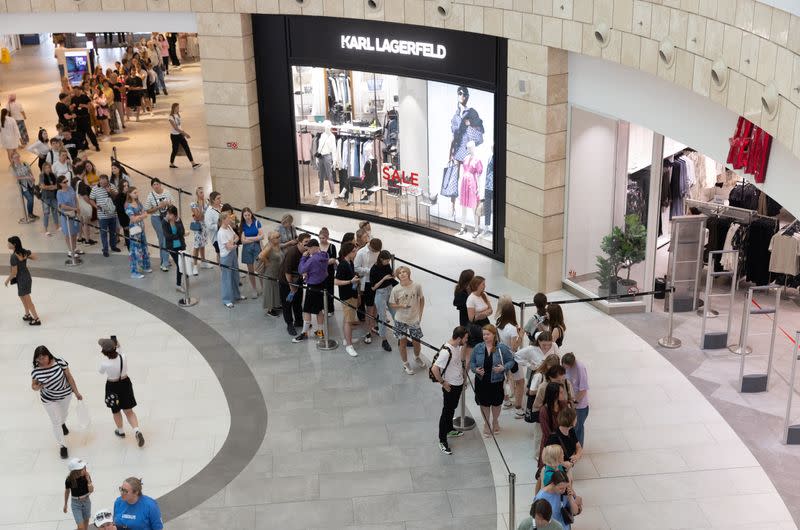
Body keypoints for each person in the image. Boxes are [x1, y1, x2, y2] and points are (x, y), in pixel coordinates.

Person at [31, 346, 83, 458]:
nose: (41, 360)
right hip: (48, 399)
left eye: (43, 357)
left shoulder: (60, 362)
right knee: (55, 421)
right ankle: (62, 446)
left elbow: (69, 377)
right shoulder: (36, 371)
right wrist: (38, 387)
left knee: (63, 414)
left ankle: (63, 422)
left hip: (65, 395)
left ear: (48, 355)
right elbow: (33, 386)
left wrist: (76, 392)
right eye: (38, 359)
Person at [469, 324, 515, 436]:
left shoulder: (501, 348)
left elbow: (511, 361)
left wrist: (503, 368)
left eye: (488, 334)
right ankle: (486, 423)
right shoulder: (478, 348)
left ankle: (495, 421)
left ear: (494, 335)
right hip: (482, 381)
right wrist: (475, 370)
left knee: (496, 403)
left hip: (497, 381)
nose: (485, 336)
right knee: (484, 403)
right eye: (484, 334)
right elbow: (472, 363)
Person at [98, 337, 145, 445]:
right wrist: (117, 344)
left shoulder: (105, 364)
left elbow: (100, 372)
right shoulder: (123, 357)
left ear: (104, 351)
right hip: (125, 384)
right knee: (129, 411)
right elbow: (120, 349)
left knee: (116, 410)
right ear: (115, 348)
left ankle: (121, 431)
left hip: (112, 386)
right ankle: (137, 430)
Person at [431, 326, 469, 455]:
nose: (466, 340)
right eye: (465, 338)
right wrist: (443, 382)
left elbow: (458, 363)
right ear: (459, 338)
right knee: (446, 412)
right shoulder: (446, 352)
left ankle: (449, 429)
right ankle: (442, 440)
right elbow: (434, 369)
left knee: (452, 409)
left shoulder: (456, 346)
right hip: (450, 386)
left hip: (457, 384)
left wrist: (462, 377)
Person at [389, 266, 426, 375]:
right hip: (400, 320)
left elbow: (422, 299)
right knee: (402, 343)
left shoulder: (417, 286)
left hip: (414, 319)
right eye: (400, 273)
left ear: (408, 273)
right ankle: (405, 363)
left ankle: (417, 356)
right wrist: (401, 305)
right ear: (398, 276)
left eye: (404, 272)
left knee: (417, 342)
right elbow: (392, 304)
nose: (402, 274)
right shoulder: (396, 289)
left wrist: (420, 314)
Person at [294, 239, 329, 342]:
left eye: (309, 248)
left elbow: (301, 270)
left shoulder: (312, 259)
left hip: (312, 286)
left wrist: (303, 257)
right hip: (322, 284)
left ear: (315, 247)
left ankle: (304, 333)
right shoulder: (324, 255)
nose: (308, 250)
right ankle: (320, 331)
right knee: (319, 310)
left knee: (307, 310)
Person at [495, 295, 525, 417]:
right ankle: (518, 408)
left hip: (501, 354)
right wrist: (521, 335)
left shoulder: (498, 322)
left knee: (504, 379)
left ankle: (506, 401)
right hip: (512, 358)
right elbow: (514, 347)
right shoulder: (512, 329)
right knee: (520, 382)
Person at [5, 236, 41, 325]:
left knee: (27, 299)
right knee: (22, 297)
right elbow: (35, 257)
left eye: (9, 243)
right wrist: (26, 257)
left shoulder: (13, 257)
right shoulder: (23, 252)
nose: (7, 245)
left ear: (14, 244)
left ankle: (36, 319)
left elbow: (14, 272)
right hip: (26, 277)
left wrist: (7, 280)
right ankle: (27, 314)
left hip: (22, 279)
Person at [279, 232, 309, 334]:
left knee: (298, 301)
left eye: (309, 242)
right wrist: (291, 286)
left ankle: (299, 320)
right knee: (287, 304)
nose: (307, 244)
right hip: (286, 281)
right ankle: (289, 324)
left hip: (298, 279)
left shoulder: (306, 252)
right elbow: (287, 272)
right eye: (306, 242)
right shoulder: (292, 253)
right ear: (299, 243)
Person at [334, 241, 361, 357]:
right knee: (349, 322)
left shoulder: (350, 262)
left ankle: (347, 339)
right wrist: (351, 281)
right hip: (347, 296)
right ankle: (349, 345)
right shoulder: (343, 264)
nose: (355, 253)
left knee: (348, 319)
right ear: (348, 252)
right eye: (354, 251)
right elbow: (335, 281)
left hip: (352, 294)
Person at [354, 237, 382, 343]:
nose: (376, 253)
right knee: (369, 308)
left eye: (377, 251)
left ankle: (372, 326)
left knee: (376, 306)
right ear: (370, 245)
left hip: (377, 282)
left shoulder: (378, 252)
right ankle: (367, 332)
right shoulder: (361, 253)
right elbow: (356, 268)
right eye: (374, 251)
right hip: (366, 283)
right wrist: (371, 271)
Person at [143, 178, 174, 272]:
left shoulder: (167, 192)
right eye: (154, 185)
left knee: (165, 239)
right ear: (152, 186)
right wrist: (158, 207)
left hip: (166, 218)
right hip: (156, 219)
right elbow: (147, 210)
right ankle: (164, 263)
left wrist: (167, 204)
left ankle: (165, 260)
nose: (156, 186)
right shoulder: (150, 196)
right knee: (163, 238)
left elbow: (172, 204)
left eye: (157, 184)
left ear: (160, 184)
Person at [369, 249, 397, 352]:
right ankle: (384, 340)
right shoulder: (374, 269)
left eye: (389, 261)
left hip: (389, 291)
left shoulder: (386, 265)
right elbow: (373, 287)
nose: (388, 262)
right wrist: (383, 279)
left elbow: (390, 278)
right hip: (380, 293)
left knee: (396, 315)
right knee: (383, 317)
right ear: (381, 259)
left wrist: (392, 276)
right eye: (386, 260)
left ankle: (401, 337)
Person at [218, 211, 246, 308]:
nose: (230, 220)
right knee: (226, 278)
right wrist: (233, 243)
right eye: (228, 218)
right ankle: (227, 299)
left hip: (233, 254)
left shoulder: (229, 228)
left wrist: (232, 242)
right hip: (226, 257)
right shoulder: (221, 232)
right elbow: (228, 247)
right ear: (223, 220)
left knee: (235, 275)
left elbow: (237, 237)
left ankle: (237, 295)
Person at [124, 187, 153, 279]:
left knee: (144, 247)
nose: (137, 194)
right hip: (134, 229)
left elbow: (145, 214)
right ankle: (134, 271)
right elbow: (133, 219)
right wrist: (142, 216)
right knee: (135, 250)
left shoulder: (138, 203)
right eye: (134, 192)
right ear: (130, 194)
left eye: (137, 192)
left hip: (141, 228)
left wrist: (140, 216)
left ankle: (145, 266)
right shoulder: (128, 205)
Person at [89, 174, 121, 257]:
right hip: (102, 216)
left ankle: (113, 246)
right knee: (103, 233)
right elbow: (91, 199)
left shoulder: (112, 186)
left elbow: (117, 197)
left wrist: (110, 191)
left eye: (104, 183)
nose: (103, 184)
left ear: (107, 181)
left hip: (113, 214)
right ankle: (105, 249)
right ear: (99, 181)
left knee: (113, 232)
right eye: (101, 183)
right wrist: (96, 206)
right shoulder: (95, 189)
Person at [562, 353, 589, 446]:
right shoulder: (564, 366)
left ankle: (578, 448)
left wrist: (575, 403)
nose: (566, 369)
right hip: (569, 402)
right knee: (570, 428)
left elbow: (583, 390)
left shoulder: (580, 368)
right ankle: (571, 447)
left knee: (577, 428)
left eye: (568, 367)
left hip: (580, 405)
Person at [167, 103, 201, 169]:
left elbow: (179, 126)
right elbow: (176, 128)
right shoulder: (171, 117)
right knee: (175, 150)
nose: (178, 109)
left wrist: (183, 133)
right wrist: (185, 134)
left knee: (187, 148)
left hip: (180, 135)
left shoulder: (177, 115)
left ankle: (193, 164)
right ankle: (171, 163)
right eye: (177, 108)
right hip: (174, 136)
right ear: (173, 108)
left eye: (178, 108)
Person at [56, 175, 83, 258]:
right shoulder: (59, 192)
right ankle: (70, 250)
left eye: (67, 181)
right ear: (60, 184)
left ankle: (74, 248)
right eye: (64, 182)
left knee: (74, 232)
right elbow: (62, 206)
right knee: (68, 234)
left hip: (74, 213)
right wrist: (74, 208)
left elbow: (75, 198)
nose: (66, 183)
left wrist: (78, 208)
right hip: (67, 215)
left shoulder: (70, 188)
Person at [63, 458, 94, 530]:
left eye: (84, 467)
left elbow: (91, 490)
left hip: (86, 501)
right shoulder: (69, 480)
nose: (85, 469)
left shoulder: (86, 476)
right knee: (81, 527)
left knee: (86, 523)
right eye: (82, 468)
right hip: (76, 504)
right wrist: (65, 504)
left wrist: (88, 480)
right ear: (76, 471)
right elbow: (67, 491)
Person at [240, 207, 264, 297]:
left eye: (248, 215)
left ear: (251, 214)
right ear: (243, 216)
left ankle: (263, 287)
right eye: (245, 215)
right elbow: (243, 241)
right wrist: (255, 238)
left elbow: (262, 236)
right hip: (247, 250)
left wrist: (249, 238)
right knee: (251, 271)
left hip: (257, 248)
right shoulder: (242, 225)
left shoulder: (257, 222)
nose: (247, 217)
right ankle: (254, 289)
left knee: (260, 269)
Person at [162, 206, 187, 292]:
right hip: (172, 247)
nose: (167, 215)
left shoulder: (178, 220)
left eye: (170, 213)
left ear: (174, 214)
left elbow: (182, 232)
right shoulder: (165, 222)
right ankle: (178, 285)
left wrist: (174, 225)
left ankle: (184, 276)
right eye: (167, 213)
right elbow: (167, 236)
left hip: (181, 245)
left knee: (183, 264)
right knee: (179, 264)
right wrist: (177, 236)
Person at [259, 231, 283, 316]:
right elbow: (261, 256)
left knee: (276, 288)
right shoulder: (269, 247)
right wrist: (266, 262)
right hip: (270, 271)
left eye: (279, 236)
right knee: (270, 289)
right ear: (271, 239)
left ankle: (275, 305)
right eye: (277, 237)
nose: (279, 238)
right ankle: (270, 309)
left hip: (276, 271)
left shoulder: (277, 245)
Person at [466, 275, 493, 348]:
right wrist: (485, 312)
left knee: (489, 343)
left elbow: (491, 310)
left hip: (486, 322)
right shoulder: (471, 299)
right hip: (477, 326)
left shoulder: (484, 294)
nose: (485, 286)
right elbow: (471, 318)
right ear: (477, 285)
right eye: (483, 284)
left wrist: (481, 314)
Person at [71, 85, 100, 151]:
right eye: (74, 91)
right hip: (77, 118)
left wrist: (83, 105)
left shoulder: (84, 97)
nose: (75, 92)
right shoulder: (73, 98)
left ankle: (96, 145)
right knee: (81, 133)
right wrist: (72, 106)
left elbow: (90, 106)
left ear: (79, 90)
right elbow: (71, 108)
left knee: (89, 132)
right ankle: (85, 145)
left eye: (76, 91)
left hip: (85, 117)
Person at [10, 151, 37, 219]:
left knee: (32, 199)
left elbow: (30, 171)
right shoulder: (12, 167)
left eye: (18, 156)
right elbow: (16, 177)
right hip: (23, 186)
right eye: (15, 157)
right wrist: (26, 177)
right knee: (30, 199)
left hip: (30, 184)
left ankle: (31, 213)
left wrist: (32, 177)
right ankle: (30, 214)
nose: (17, 158)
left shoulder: (25, 163)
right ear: (12, 159)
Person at [318, 227, 337, 316]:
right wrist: (326, 261)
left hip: (329, 272)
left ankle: (330, 309)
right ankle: (322, 307)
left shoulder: (332, 247)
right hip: (319, 273)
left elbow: (333, 260)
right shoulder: (317, 247)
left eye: (323, 238)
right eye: (320, 238)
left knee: (330, 290)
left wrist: (322, 262)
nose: (322, 240)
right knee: (321, 290)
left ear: (327, 237)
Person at [189, 187, 207, 274]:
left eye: (203, 192)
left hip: (204, 226)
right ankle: (195, 266)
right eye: (200, 193)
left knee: (203, 244)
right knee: (196, 246)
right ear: (197, 194)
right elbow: (199, 216)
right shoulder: (193, 204)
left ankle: (203, 262)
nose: (202, 194)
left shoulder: (206, 202)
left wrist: (201, 215)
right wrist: (200, 207)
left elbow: (204, 216)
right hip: (198, 227)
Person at [39, 161, 60, 235]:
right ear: (43, 169)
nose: (48, 169)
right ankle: (46, 229)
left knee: (55, 211)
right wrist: (51, 187)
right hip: (46, 197)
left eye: (49, 167)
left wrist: (49, 187)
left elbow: (57, 185)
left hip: (54, 196)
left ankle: (57, 226)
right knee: (46, 213)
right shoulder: (41, 176)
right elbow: (42, 186)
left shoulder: (53, 175)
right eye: (46, 168)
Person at [204, 191, 222, 263]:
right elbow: (209, 225)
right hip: (216, 238)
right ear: (213, 200)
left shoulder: (221, 207)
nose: (220, 200)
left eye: (220, 198)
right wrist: (220, 225)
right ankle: (222, 270)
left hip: (225, 234)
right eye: (218, 198)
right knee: (220, 253)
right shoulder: (209, 212)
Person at [114, 180, 131, 250]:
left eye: (127, 185)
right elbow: (120, 211)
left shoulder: (130, 194)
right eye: (124, 186)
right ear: (121, 187)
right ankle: (130, 251)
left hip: (133, 218)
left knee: (135, 235)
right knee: (127, 236)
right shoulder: (119, 197)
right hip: (125, 219)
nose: (126, 187)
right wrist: (124, 224)